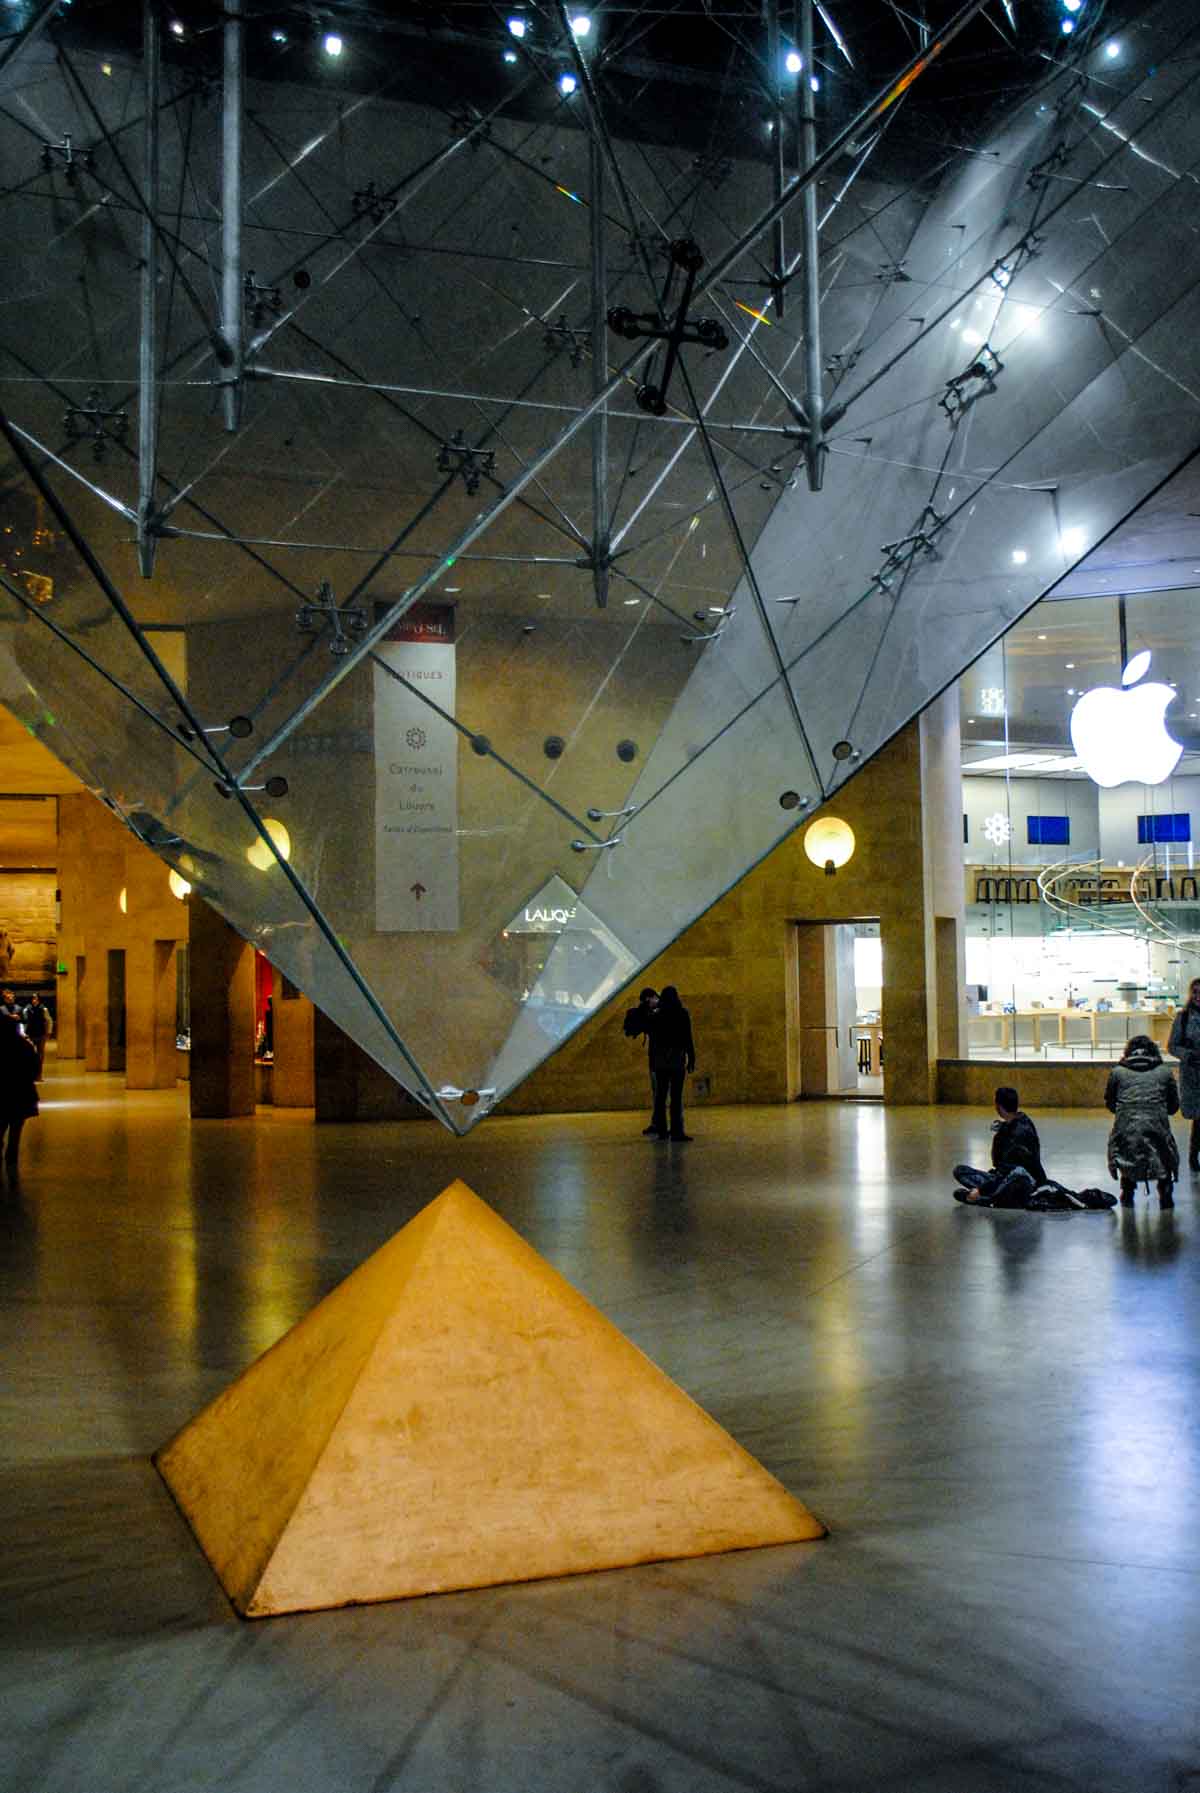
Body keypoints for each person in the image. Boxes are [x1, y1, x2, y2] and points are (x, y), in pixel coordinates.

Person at [1105, 1034, 1179, 1209]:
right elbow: (1173, 1106)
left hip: (1127, 1127)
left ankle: (1127, 1190)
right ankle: (1165, 1190)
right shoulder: (1164, 1072)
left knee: (1125, 1147)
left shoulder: (1117, 1072)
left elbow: (1110, 1102)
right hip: (1157, 1127)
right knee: (1163, 1149)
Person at [953, 1086, 1046, 1207]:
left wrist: (980, 1190)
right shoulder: (1022, 1120)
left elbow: (1007, 1171)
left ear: (999, 1107)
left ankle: (984, 1198)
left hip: (1023, 1182)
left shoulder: (1016, 1137)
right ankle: (989, 1193)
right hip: (1006, 1176)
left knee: (1009, 1182)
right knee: (960, 1171)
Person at [647, 985, 696, 1142]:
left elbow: (653, 1042)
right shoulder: (682, 1014)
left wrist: (653, 1062)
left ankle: (662, 1130)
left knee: (661, 1097)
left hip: (661, 1061)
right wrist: (691, 1058)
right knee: (676, 1097)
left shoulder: (657, 1016)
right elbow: (688, 1038)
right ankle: (677, 1131)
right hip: (677, 1060)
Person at [0, 1011, 39, 1177]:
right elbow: (35, 1069)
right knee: (16, 1130)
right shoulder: (25, 1046)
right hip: (21, 1094)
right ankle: (12, 1158)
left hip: (1, 1095)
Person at [1168, 976, 1200, 1172]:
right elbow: (1172, 1046)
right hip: (1193, 1075)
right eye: (1194, 992)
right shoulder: (1183, 1017)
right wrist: (1188, 1055)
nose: (1198, 996)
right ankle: (1193, 1155)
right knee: (1199, 1119)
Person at [622, 987, 660, 1135]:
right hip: (657, 1059)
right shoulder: (649, 1012)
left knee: (660, 1093)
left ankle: (659, 1125)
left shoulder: (663, 1011)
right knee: (658, 1093)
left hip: (662, 1059)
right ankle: (658, 1124)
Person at [21, 993, 51, 1079]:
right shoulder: (26, 1009)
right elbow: (24, 1022)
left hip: (41, 1035)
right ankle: (31, 1074)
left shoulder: (44, 1009)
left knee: (40, 1055)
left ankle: (39, 1075)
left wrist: (48, 1032)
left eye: (36, 999)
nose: (34, 1000)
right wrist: (24, 1033)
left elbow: (49, 1021)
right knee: (29, 1054)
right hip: (30, 1034)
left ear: (39, 1000)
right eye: (33, 999)